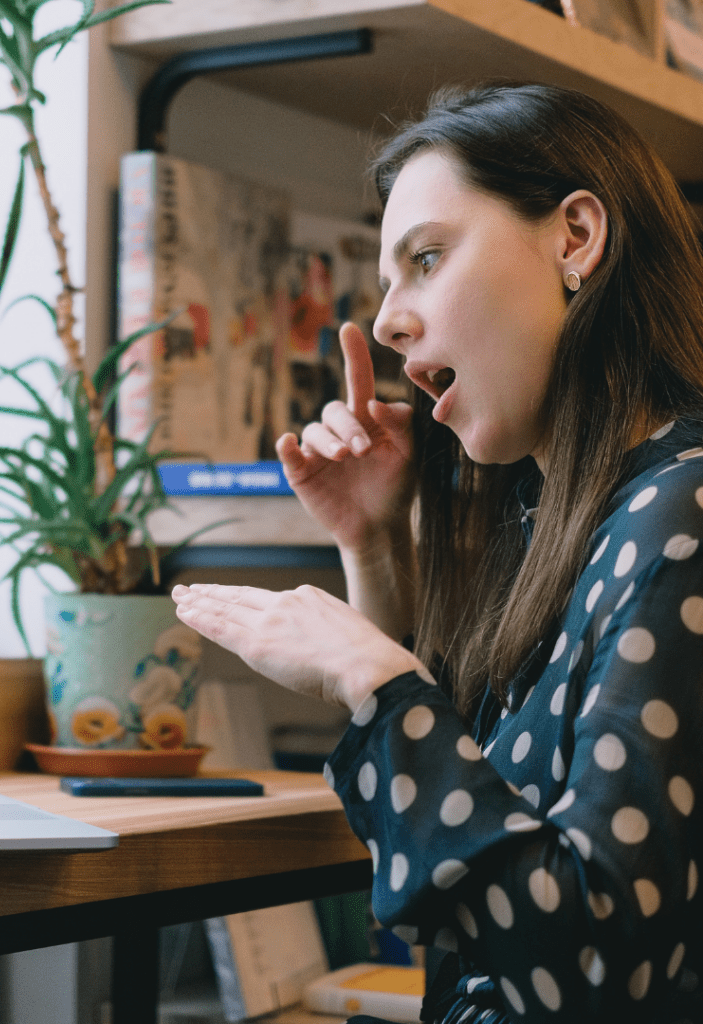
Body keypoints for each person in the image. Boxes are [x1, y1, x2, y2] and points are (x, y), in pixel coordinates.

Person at [172, 81, 703, 1023]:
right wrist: (373, 548)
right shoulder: (570, 516)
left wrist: (371, 678)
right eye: (387, 282)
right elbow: (469, 852)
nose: (386, 321)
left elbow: (601, 965)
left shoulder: (683, 513)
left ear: (576, 237)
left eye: (426, 258)